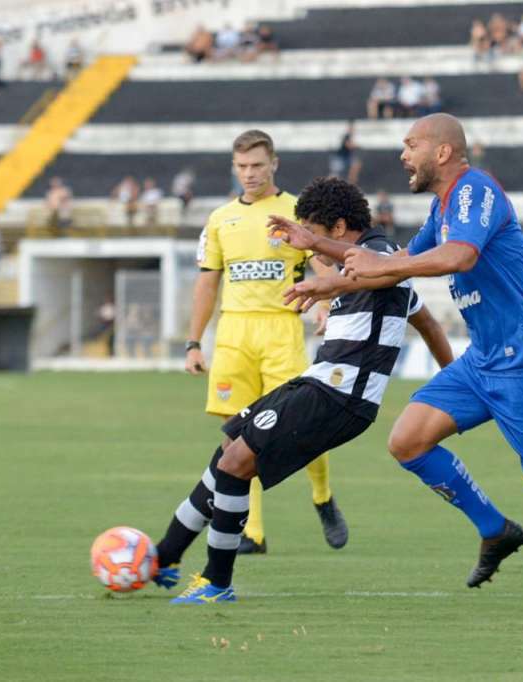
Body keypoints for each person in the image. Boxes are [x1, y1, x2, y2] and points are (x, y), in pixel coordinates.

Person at [311, 113, 523, 616]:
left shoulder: (475, 190)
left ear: (442, 152)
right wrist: (319, 255)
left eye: (411, 145)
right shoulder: (442, 207)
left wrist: (383, 265)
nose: (403, 155)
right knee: (407, 441)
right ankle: (495, 529)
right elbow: (396, 264)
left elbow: (459, 257)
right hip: (482, 362)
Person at [152, 177, 453, 603]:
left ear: (338, 227)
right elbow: (428, 323)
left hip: (341, 397)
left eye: (312, 233)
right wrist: (452, 376)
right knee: (229, 449)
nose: (308, 245)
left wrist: (326, 281)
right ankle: (166, 556)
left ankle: (217, 583)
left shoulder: (382, 255)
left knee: (236, 464)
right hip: (319, 382)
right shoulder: (374, 265)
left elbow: (380, 275)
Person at [185, 130, 345, 556]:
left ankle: (322, 495)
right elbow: (207, 283)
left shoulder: (296, 211)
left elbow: (323, 265)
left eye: (257, 165)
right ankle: (252, 533)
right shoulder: (220, 219)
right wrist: (193, 342)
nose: (249, 174)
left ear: (274, 163)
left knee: (302, 426)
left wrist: (324, 304)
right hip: (234, 333)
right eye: (242, 166)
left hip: (280, 330)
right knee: (238, 438)